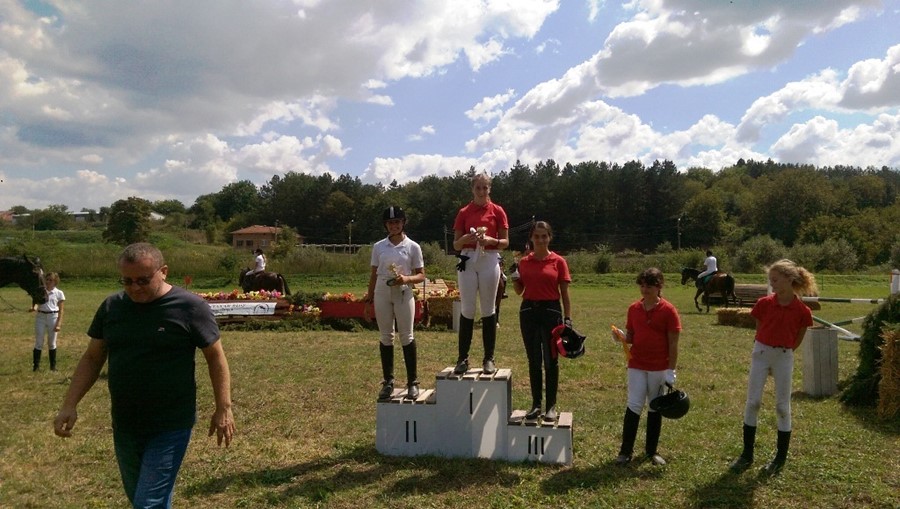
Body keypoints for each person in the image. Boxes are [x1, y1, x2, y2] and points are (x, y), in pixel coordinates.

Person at [53, 242, 235, 508]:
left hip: (170, 423)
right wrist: (69, 404)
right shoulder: (112, 307)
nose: (135, 287)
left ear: (163, 271)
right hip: (125, 422)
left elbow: (215, 357)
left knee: (148, 502)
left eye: (143, 280)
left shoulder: (189, 307)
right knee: (142, 497)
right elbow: (93, 357)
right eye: (127, 281)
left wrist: (223, 408)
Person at [730, 259, 816, 475]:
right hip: (761, 352)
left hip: (784, 356)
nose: (772, 284)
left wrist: (783, 352)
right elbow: (760, 328)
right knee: (753, 402)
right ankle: (746, 455)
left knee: (782, 406)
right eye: (770, 280)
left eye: (775, 280)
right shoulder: (764, 304)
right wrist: (765, 350)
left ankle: (780, 458)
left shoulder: (803, 311)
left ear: (789, 280)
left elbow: (798, 337)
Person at [614, 268, 681, 466]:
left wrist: (671, 370)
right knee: (634, 404)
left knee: (654, 406)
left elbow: (673, 343)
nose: (644, 290)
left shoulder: (669, 311)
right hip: (637, 364)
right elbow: (631, 337)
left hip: (659, 367)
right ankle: (625, 451)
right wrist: (621, 337)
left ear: (659, 287)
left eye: (649, 286)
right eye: (642, 286)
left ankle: (651, 452)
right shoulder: (633, 309)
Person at [511, 221, 571, 422]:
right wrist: (514, 277)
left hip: (551, 312)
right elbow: (520, 291)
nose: (540, 240)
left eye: (544, 236)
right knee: (534, 360)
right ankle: (536, 405)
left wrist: (568, 319)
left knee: (551, 360)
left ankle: (550, 406)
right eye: (536, 236)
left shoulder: (559, 261)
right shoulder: (524, 262)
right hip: (529, 311)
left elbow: (565, 294)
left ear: (549, 237)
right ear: (531, 238)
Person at [365, 207, 426, 401]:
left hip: (403, 290)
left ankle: (412, 382)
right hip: (382, 290)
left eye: (397, 222)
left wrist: (407, 279)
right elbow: (374, 274)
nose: (394, 226)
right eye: (390, 223)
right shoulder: (379, 247)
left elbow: (421, 275)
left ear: (403, 223)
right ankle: (388, 381)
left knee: (406, 335)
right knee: (386, 336)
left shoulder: (413, 247)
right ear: (386, 225)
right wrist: (368, 299)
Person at [452, 172, 509, 375]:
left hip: (489, 259)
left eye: (485, 187)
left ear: (489, 189)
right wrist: (466, 239)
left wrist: (491, 240)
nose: (482, 191)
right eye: (478, 187)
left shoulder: (498, 211)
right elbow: (455, 244)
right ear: (472, 189)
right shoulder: (464, 212)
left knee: (488, 309)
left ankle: (489, 358)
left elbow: (505, 242)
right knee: (467, 309)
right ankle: (462, 358)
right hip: (468, 259)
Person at [32, 272, 65, 372]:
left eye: (51, 280)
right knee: (39, 341)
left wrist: (58, 324)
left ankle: (53, 367)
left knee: (52, 342)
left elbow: (61, 310)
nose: (48, 282)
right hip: (41, 317)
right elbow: (37, 303)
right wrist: (34, 307)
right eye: (47, 279)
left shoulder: (59, 293)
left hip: (53, 317)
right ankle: (36, 366)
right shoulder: (41, 291)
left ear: (55, 281)